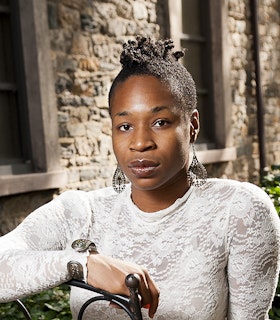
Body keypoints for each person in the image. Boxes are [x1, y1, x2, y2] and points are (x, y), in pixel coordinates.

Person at [0, 35, 280, 320]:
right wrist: (83, 264)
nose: (140, 142)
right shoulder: (81, 213)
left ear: (192, 125)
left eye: (160, 122)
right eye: (124, 126)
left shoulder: (239, 210)